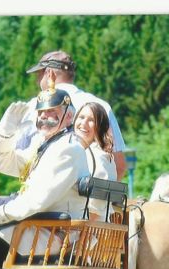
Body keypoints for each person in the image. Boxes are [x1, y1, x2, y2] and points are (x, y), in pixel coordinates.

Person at [0, 81, 90, 269]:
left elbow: (36, 201)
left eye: (52, 112)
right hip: (38, 226)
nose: (44, 117)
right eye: (41, 112)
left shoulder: (68, 149)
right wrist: (5, 132)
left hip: (54, 233)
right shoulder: (46, 144)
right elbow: (4, 163)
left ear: (69, 116)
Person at [21, 50, 128, 179]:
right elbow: (119, 166)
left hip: (44, 192)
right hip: (89, 195)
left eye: (39, 74)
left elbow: (17, 160)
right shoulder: (101, 105)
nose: (37, 80)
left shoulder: (34, 107)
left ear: (49, 73)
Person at [72, 101, 117, 220]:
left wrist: (82, 233)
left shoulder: (97, 155)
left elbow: (97, 204)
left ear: (100, 127)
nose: (84, 123)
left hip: (91, 230)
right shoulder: (80, 151)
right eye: (81, 117)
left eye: (91, 120)